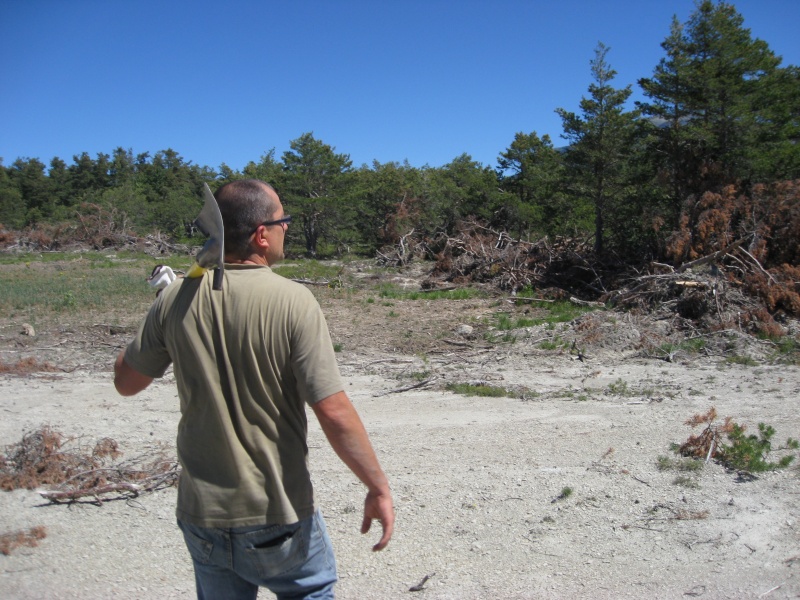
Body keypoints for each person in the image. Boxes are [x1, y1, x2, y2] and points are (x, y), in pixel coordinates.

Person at [114, 179, 394, 599]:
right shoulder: (294, 301)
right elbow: (333, 410)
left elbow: (126, 382)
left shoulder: (175, 299)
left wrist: (161, 311)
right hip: (276, 513)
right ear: (262, 234)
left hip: (202, 515)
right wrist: (377, 487)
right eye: (284, 221)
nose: (288, 230)